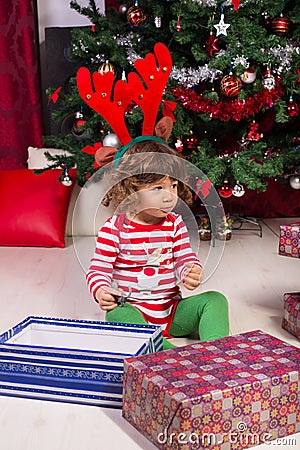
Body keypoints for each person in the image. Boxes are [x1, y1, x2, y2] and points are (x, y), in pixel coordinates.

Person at [86, 139, 229, 350]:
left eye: (173, 185)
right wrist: (101, 290)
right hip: (133, 310)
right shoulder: (114, 228)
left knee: (215, 300)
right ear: (131, 188)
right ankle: (171, 357)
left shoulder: (175, 224)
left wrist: (190, 270)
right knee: (116, 314)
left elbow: (184, 257)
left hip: (171, 311)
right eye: (158, 188)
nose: (169, 196)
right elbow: (98, 269)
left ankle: (216, 352)